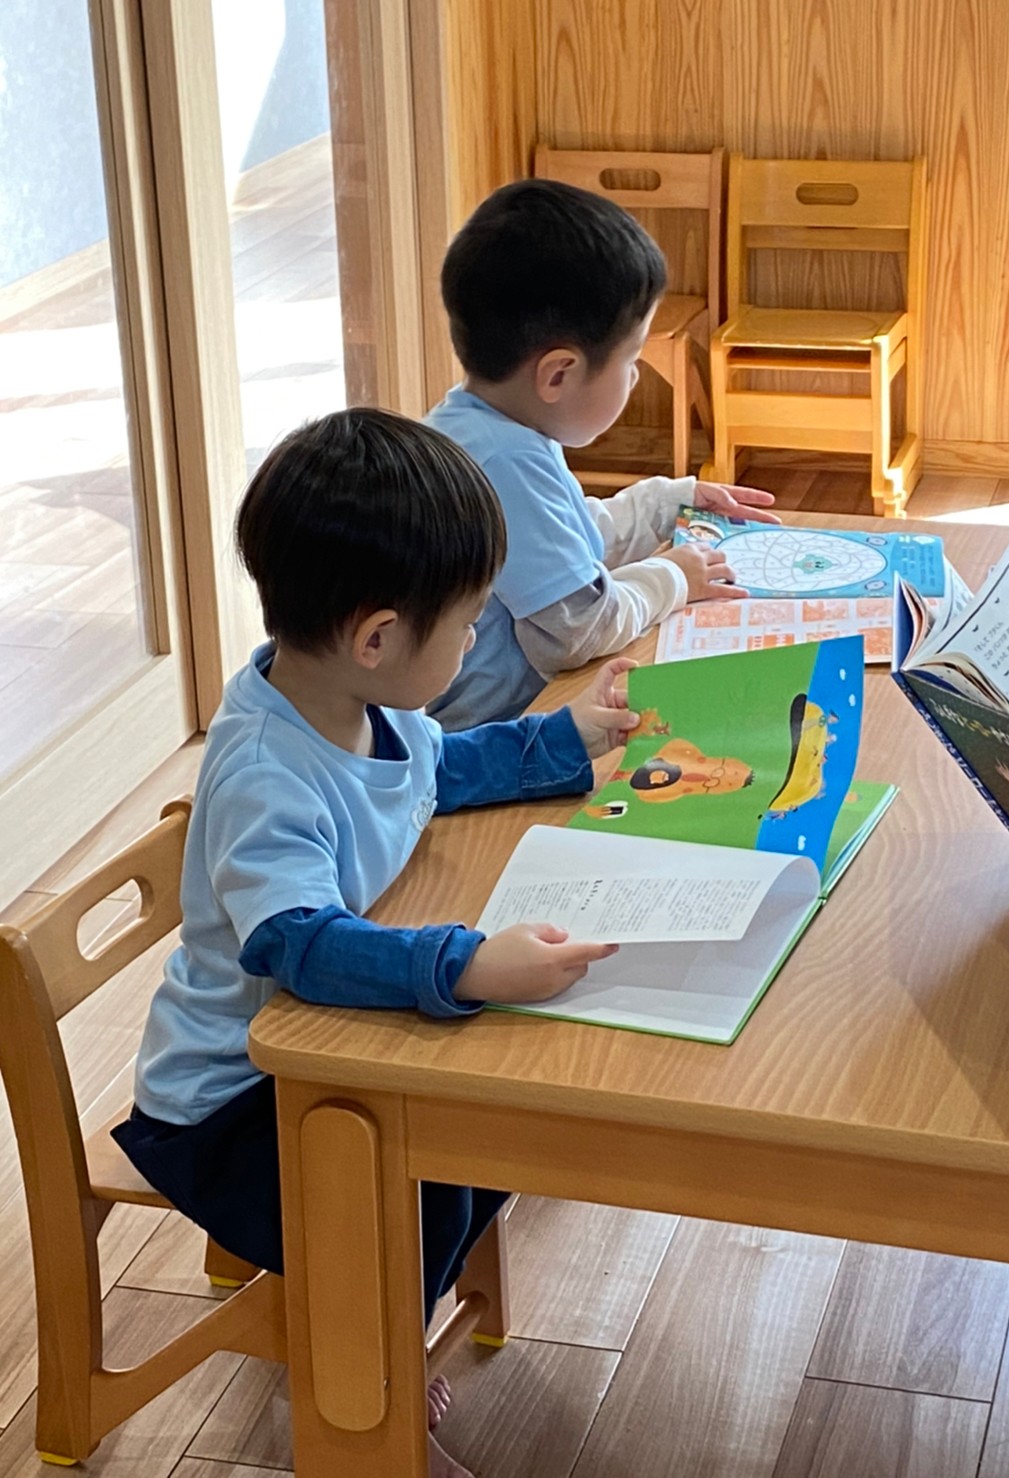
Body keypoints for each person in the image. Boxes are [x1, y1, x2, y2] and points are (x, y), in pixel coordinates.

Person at [112, 407, 637, 1478]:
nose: (475, 640)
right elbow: (300, 946)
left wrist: (565, 739)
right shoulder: (268, 774)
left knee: (488, 1134)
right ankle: (364, 1398)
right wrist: (463, 962)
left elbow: (442, 767)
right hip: (226, 1108)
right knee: (415, 1178)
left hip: (311, 1056)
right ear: (378, 637)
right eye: (469, 623)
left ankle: (378, 1329)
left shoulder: (362, 701)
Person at [424, 177, 781, 731]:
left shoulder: (483, 428)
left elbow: (570, 541)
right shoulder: (501, 464)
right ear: (558, 374)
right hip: (498, 733)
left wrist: (666, 502)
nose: (635, 377)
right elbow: (579, 630)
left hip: (520, 716)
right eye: (631, 359)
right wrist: (673, 578)